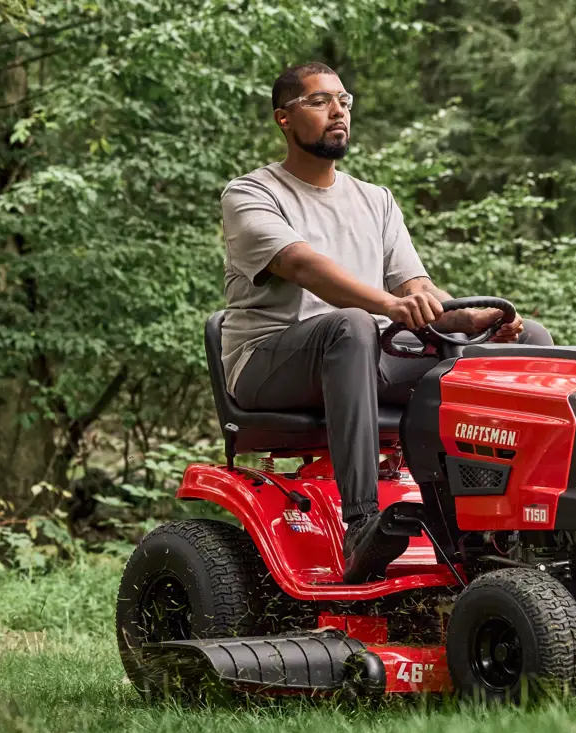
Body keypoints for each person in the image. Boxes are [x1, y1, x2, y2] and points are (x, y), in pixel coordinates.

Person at [220, 61, 554, 583]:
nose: (338, 111)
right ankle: (361, 524)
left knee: (527, 338)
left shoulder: (375, 200)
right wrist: (386, 306)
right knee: (350, 325)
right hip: (267, 363)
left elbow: (417, 289)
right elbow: (302, 265)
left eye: (344, 101)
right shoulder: (251, 194)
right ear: (284, 118)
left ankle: (511, 528)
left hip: (363, 355)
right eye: (320, 101)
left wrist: (470, 320)